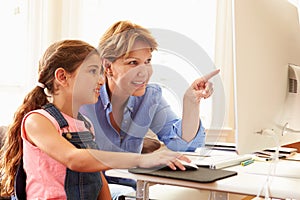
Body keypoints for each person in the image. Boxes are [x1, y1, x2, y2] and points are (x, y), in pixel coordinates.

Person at [0, 39, 190, 200]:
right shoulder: (38, 121)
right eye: (92, 71)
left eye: (100, 72)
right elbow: (75, 159)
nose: (101, 80)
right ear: (62, 77)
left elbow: (97, 177)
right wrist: (141, 160)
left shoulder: (85, 125)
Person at [80, 20, 220, 199]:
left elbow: (184, 144)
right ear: (108, 67)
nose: (144, 71)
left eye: (147, 61)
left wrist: (191, 103)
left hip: (133, 189)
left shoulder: (149, 97)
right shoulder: (84, 100)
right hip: (91, 190)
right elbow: (78, 163)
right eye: (132, 63)